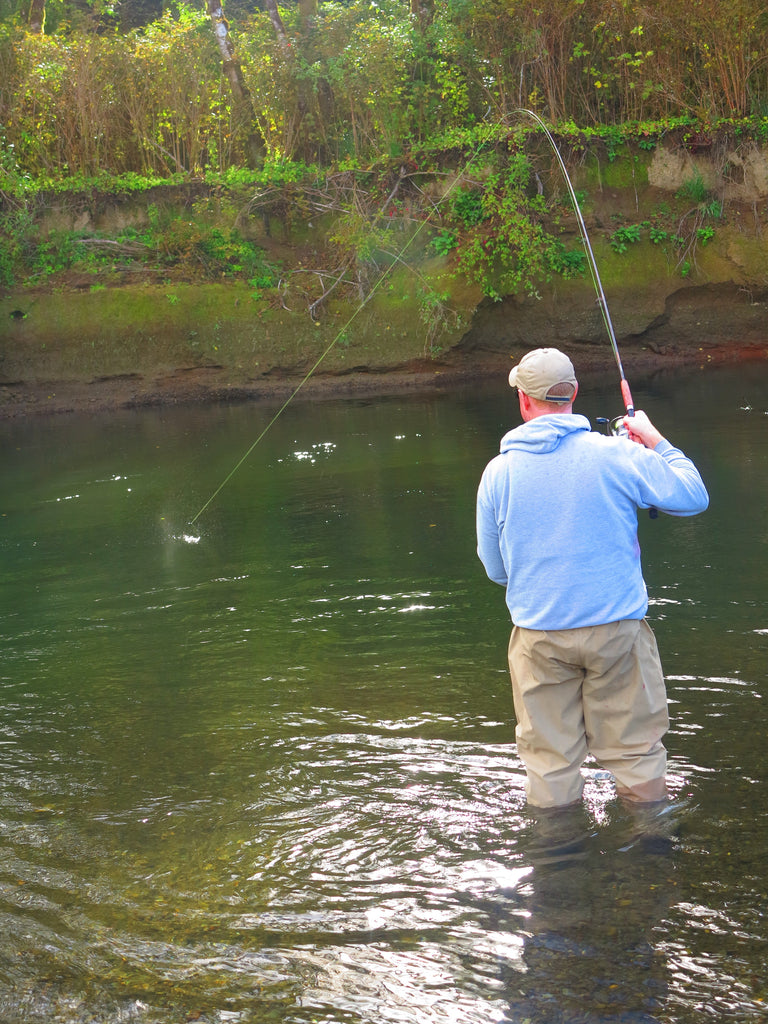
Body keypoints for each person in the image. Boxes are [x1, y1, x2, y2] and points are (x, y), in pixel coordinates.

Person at [476, 347, 709, 810]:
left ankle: (557, 866)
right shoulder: (618, 454)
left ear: (524, 401)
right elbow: (693, 495)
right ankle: (651, 858)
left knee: (549, 764)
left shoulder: (497, 473)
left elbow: (495, 568)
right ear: (574, 394)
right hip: (617, 635)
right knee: (637, 754)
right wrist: (653, 439)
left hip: (539, 637)